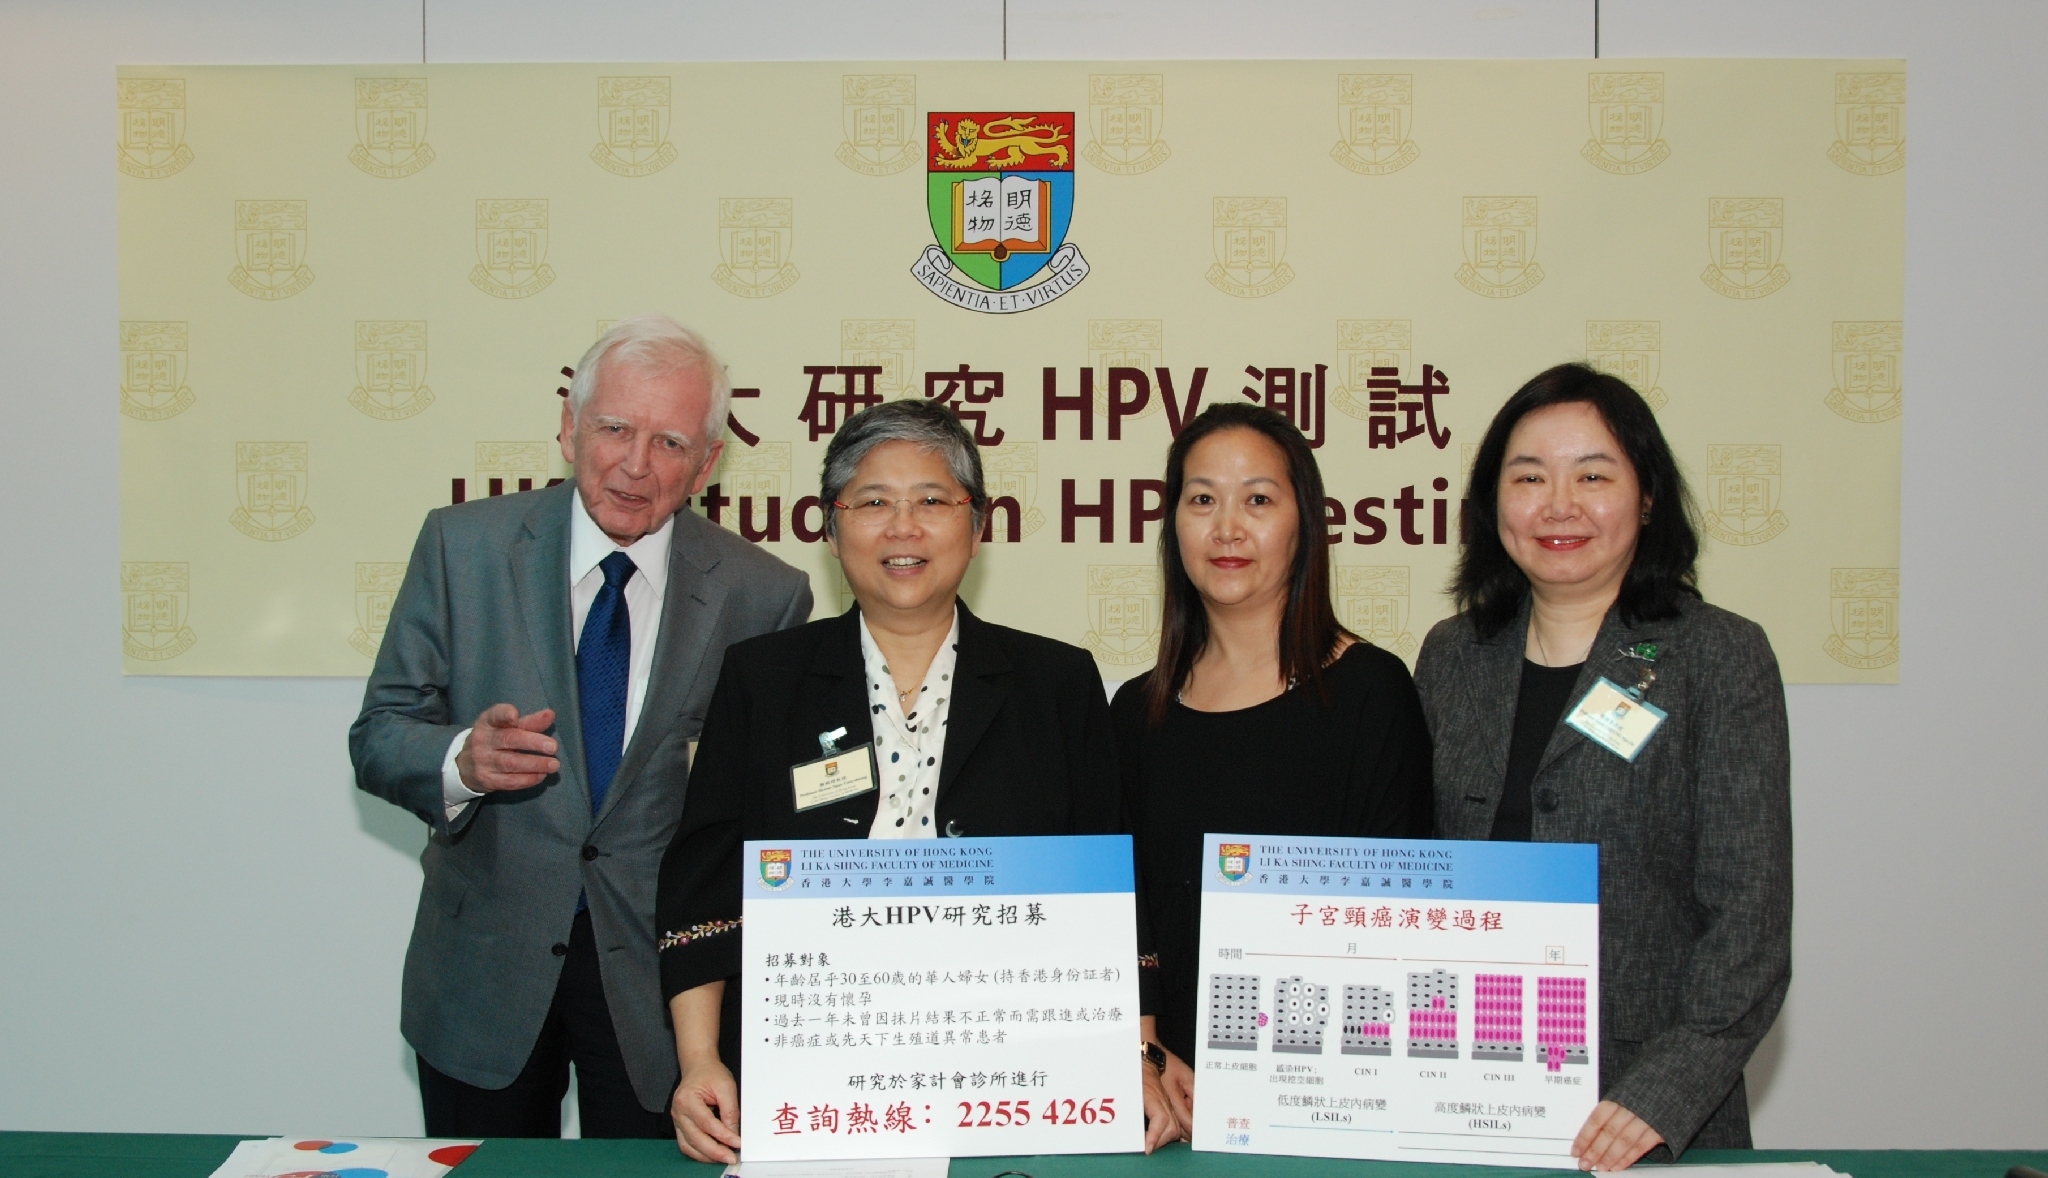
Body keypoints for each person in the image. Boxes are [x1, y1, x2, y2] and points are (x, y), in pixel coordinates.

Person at [655, 398, 1180, 1161]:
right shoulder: (763, 681)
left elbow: (1109, 891)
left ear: (978, 524)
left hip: (1015, 1070)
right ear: (831, 528)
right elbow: (703, 890)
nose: (903, 528)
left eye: (933, 501)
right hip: (816, 1072)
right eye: (872, 503)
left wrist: (1138, 1052)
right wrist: (701, 1061)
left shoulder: (1054, 683)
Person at [349, 315, 813, 1138]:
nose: (636, 465)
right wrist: (461, 761)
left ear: (708, 463)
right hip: (483, 970)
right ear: (569, 427)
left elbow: (759, 810)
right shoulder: (463, 547)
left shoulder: (763, 595)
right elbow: (380, 733)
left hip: (665, 989)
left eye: (670, 443)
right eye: (614, 429)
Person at [1413, 363, 1791, 1171]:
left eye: (1593, 475)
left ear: (1647, 497)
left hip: (1646, 1124)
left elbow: (1749, 925)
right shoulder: (1453, 656)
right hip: (1464, 1097)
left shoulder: (1720, 657)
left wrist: (1660, 1094)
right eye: (1529, 477)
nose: (1559, 505)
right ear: (1492, 502)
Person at [1112, 403, 1435, 1126]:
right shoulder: (1136, 711)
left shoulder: (1370, 692)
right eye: (1202, 500)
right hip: (1168, 1099)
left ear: (1304, 524)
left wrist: (1277, 1088)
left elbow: (1396, 918)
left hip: (1323, 1095)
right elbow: (1126, 918)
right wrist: (1149, 1058)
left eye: (1258, 500)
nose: (1227, 528)